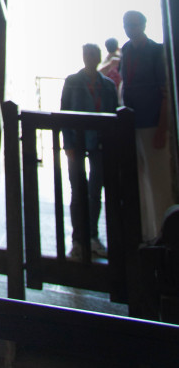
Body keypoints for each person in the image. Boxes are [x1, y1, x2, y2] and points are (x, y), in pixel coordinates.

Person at [119, 10, 174, 242]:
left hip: (152, 123)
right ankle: (146, 232)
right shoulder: (127, 50)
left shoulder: (155, 51)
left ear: (143, 24)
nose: (130, 28)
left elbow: (165, 93)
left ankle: (167, 234)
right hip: (132, 124)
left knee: (159, 180)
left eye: (133, 24)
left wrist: (162, 127)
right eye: (126, 24)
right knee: (139, 182)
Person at [61, 43, 119, 260]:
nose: (90, 57)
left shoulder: (108, 86)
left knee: (95, 192)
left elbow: (112, 115)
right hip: (78, 142)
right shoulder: (72, 82)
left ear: (98, 57)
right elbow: (64, 113)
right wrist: (67, 144)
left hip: (100, 142)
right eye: (87, 54)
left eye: (93, 54)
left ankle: (92, 236)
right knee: (78, 191)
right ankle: (78, 239)